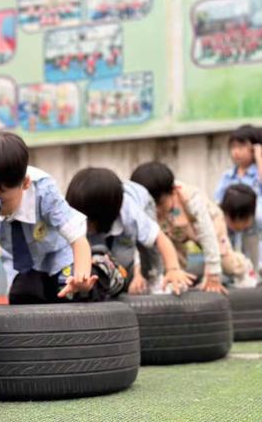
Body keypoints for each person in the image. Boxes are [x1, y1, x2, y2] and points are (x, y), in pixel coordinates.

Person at [0, 130, 100, 304]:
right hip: (20, 266)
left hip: (58, 257)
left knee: (68, 294)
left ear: (25, 183)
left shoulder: (44, 193)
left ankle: (100, 263)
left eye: (1, 202)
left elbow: (78, 238)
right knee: (22, 295)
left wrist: (82, 278)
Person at [66, 167, 195, 295]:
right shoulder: (72, 216)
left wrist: (173, 269)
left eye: (89, 221)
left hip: (142, 203)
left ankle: (155, 279)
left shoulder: (131, 214)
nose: (85, 225)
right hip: (108, 214)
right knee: (93, 251)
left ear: (102, 215)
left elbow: (160, 238)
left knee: (145, 251)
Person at [131, 162, 255, 292]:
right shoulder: (147, 209)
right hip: (173, 230)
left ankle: (245, 268)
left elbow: (207, 234)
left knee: (226, 261)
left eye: (160, 204)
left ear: (173, 192)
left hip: (208, 225)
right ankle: (177, 283)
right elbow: (143, 241)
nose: (157, 210)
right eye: (151, 206)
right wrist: (139, 273)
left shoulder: (191, 198)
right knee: (173, 260)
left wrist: (213, 273)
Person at [214, 124, 262, 270]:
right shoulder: (228, 176)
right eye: (233, 147)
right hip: (232, 220)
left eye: (241, 147)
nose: (236, 152)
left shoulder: (257, 173)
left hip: (253, 222)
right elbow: (218, 200)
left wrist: (259, 157)